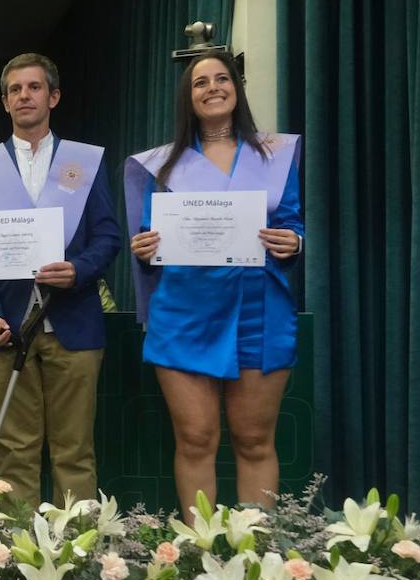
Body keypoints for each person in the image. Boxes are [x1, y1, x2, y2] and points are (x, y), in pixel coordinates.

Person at [125, 51, 303, 513]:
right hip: (185, 311)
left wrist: (294, 243)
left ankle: (259, 559)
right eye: (200, 82)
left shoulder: (275, 155)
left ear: (237, 89)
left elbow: (292, 223)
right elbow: (150, 236)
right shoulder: (162, 165)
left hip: (258, 310)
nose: (212, 88)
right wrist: (144, 250)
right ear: (189, 97)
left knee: (254, 439)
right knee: (195, 438)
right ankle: (203, 559)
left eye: (222, 78)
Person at [0, 53, 120, 510]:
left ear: (53, 96)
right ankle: (17, 561)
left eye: (33, 87)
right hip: (5, 327)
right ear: (6, 103)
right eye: (14, 90)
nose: (24, 96)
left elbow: (108, 236)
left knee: (74, 453)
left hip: (73, 322)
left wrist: (80, 269)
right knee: (15, 453)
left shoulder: (83, 162)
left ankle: (80, 558)